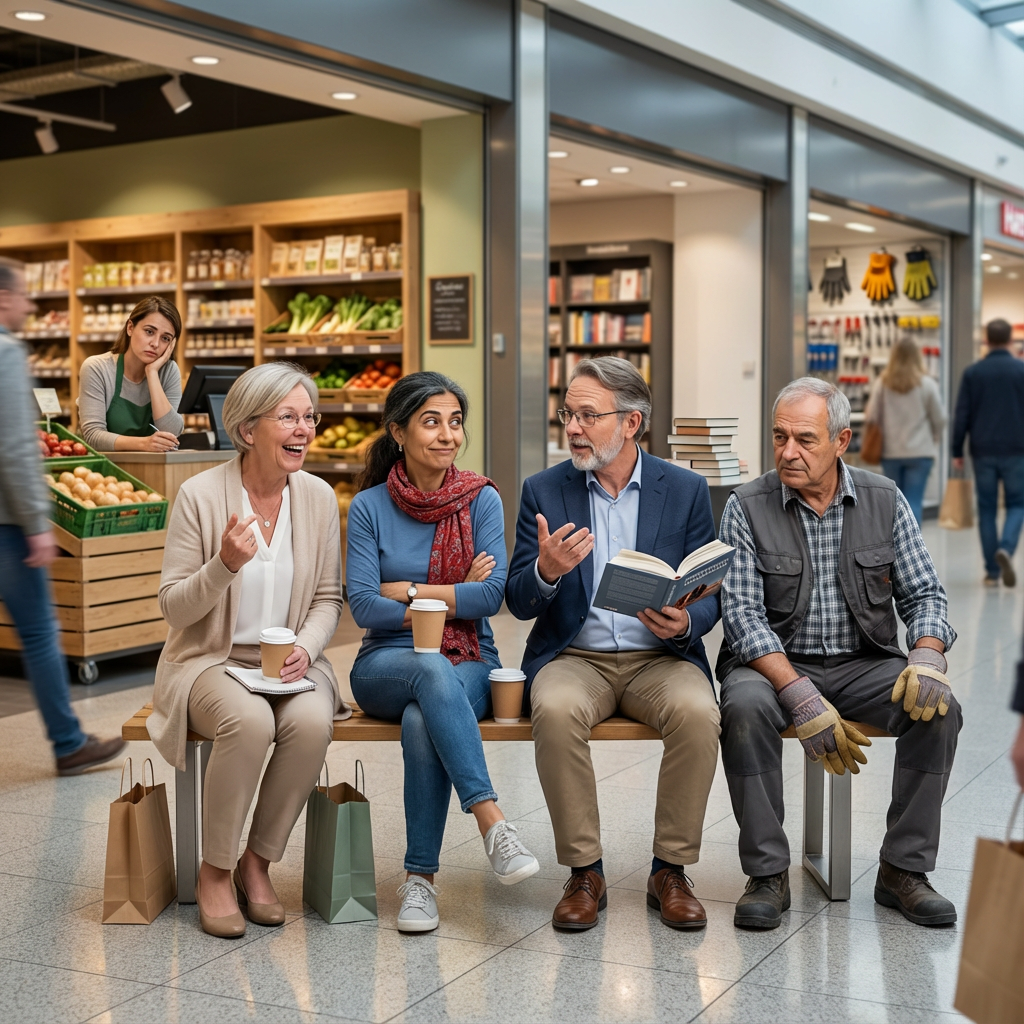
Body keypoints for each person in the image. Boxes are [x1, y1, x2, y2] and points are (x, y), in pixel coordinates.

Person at [717, 377, 960, 930]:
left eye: (805, 439)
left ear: (842, 440)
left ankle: (903, 869)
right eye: (779, 437)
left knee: (939, 709)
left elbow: (925, 594)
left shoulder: (884, 499)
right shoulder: (746, 506)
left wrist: (926, 655)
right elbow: (745, 619)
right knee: (745, 709)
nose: (787, 452)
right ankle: (767, 872)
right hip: (772, 664)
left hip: (865, 661)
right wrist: (797, 692)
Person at [506, 356, 722, 933]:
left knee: (700, 712)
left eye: (587, 415)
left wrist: (688, 621)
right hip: (577, 656)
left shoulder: (685, 489)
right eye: (567, 414)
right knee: (551, 708)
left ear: (632, 423)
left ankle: (669, 870)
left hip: (661, 656)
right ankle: (585, 872)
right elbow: (519, 600)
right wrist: (546, 573)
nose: (572, 428)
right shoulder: (543, 490)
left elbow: (712, 590)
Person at [150, 362, 347, 938]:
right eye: (288, 417)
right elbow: (174, 608)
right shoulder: (200, 496)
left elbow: (329, 598)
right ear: (247, 428)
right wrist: (224, 565)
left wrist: (307, 650)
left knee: (312, 722)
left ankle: (255, 864)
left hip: (289, 663)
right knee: (249, 721)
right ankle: (214, 871)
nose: (304, 429)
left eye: (309, 417)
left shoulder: (315, 497)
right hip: (211, 660)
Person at [346, 371, 539, 935]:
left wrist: (403, 591)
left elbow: (490, 596)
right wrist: (452, 593)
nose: (447, 434)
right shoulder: (369, 507)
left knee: (419, 716)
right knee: (427, 670)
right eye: (431, 422)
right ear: (398, 432)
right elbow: (362, 606)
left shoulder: (480, 498)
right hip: (383, 663)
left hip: (470, 660)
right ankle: (492, 821)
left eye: (455, 422)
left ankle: (420, 882)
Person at [0, 256, 126, 775]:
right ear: (5, 299)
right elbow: (15, 447)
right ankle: (69, 741)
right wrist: (36, 523)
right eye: (24, 294)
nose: (31, 304)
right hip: (7, 522)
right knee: (38, 630)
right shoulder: (6, 353)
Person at [952, 318, 1024, 587]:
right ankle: (1006, 547)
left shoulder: (974, 373)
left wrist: (956, 449)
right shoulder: (1021, 370)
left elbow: (962, 414)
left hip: (982, 450)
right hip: (1017, 450)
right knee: (1017, 504)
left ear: (987, 340)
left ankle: (992, 573)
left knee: (987, 509)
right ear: (1010, 340)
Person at [78, 295, 184, 453]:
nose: (155, 343)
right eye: (149, 332)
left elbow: (172, 432)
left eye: (165, 338)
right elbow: (93, 436)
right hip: (105, 471)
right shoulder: (97, 368)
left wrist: (152, 373)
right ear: (130, 328)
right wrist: (144, 444)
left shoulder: (168, 371)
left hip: (154, 471)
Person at [864, 337, 945, 525]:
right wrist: (933, 436)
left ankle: (894, 547)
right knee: (913, 502)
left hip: (891, 451)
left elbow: (872, 415)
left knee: (894, 503)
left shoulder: (883, 384)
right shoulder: (927, 384)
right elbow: (940, 418)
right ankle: (912, 549)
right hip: (920, 452)